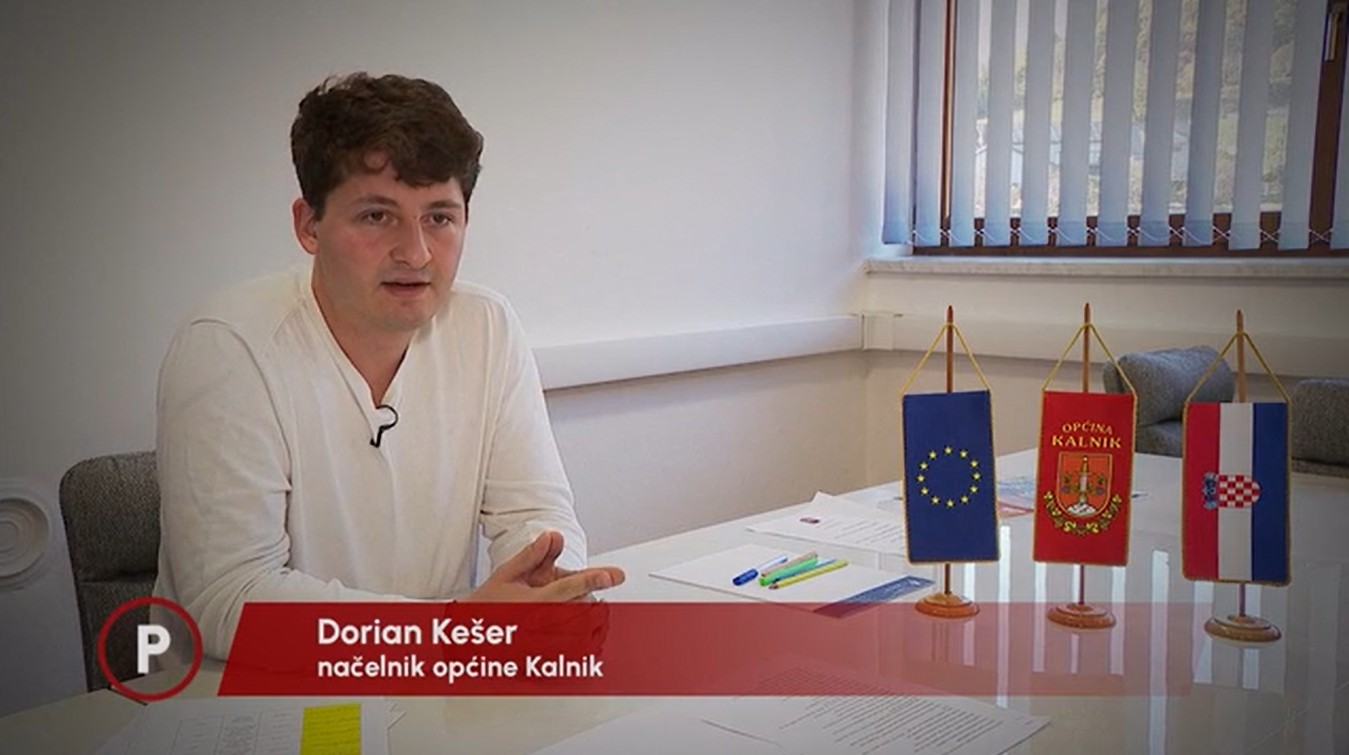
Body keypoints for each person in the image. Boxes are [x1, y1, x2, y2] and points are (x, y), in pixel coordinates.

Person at [153, 72, 624, 660]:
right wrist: (450, 630)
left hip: (430, 677)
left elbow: (534, 512)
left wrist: (547, 588)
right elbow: (228, 599)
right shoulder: (228, 346)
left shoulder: (486, 326)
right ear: (308, 225)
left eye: (439, 218)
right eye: (378, 216)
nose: (416, 253)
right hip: (246, 691)